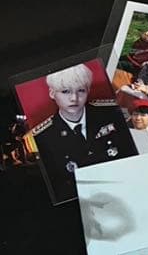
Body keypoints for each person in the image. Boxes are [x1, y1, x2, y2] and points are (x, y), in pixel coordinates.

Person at [32, 63, 136, 204]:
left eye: (80, 90)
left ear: (88, 90)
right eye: (65, 91)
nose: (74, 98)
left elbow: (132, 156)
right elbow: (57, 187)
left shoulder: (112, 113)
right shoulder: (43, 136)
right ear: (52, 93)